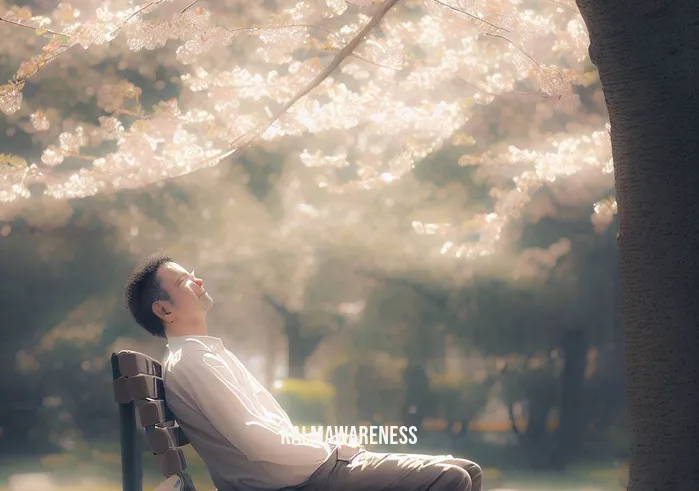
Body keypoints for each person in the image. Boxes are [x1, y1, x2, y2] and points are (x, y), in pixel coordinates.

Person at [124, 253, 483, 491]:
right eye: (185, 281)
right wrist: (332, 451)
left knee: (467, 470)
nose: (199, 282)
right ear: (163, 309)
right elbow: (257, 442)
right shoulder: (193, 363)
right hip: (300, 482)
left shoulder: (204, 356)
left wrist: (332, 450)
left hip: (308, 471)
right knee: (451, 480)